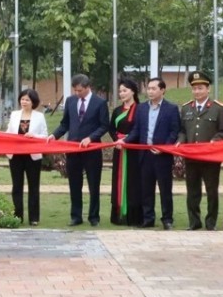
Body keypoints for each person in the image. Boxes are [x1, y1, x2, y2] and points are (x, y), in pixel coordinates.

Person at [118, 77, 180, 230]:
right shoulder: (142, 108)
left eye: (154, 88)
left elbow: (174, 132)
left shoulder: (171, 108)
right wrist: (125, 141)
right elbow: (137, 130)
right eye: (149, 88)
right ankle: (148, 218)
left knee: (165, 189)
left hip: (162, 155)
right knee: (146, 189)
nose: (150, 91)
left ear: (162, 90)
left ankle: (167, 219)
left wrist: (164, 148)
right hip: (145, 155)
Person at [50, 74, 110, 226]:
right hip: (73, 150)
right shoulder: (70, 101)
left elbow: (104, 125)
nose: (77, 93)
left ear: (87, 87)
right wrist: (54, 135)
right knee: (74, 184)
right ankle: (76, 216)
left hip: (92, 150)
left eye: (80, 90)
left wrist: (91, 137)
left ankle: (94, 217)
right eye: (75, 90)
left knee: (93, 184)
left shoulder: (100, 102)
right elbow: (65, 124)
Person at [178, 71, 223, 231]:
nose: (197, 92)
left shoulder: (218, 108)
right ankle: (194, 222)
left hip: (210, 157)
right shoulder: (186, 108)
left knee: (211, 191)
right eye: (194, 89)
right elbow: (182, 130)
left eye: (200, 88)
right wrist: (180, 141)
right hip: (191, 157)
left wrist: (216, 140)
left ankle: (211, 222)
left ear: (208, 89)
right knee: (192, 191)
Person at [1, 87, 47, 225]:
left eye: (27, 99)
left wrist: (34, 135)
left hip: (32, 156)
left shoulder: (39, 116)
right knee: (17, 186)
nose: (24, 102)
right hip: (16, 155)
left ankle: (34, 218)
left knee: (33, 186)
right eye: (22, 99)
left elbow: (45, 135)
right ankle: (18, 216)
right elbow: (9, 132)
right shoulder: (15, 114)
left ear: (33, 102)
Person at [109, 78, 144, 227]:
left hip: (134, 151)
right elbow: (111, 128)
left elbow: (140, 129)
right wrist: (117, 139)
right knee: (118, 180)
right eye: (120, 91)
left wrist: (127, 141)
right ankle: (118, 215)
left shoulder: (141, 109)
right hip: (119, 150)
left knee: (134, 182)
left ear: (133, 91)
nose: (122, 93)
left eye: (125, 90)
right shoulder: (117, 110)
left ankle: (134, 216)